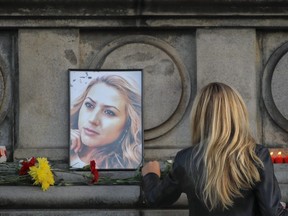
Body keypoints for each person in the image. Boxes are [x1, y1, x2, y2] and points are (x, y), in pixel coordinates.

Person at [142, 82, 288, 216]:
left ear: (199, 116)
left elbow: (155, 199)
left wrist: (150, 175)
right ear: (238, 114)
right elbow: (271, 212)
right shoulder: (256, 155)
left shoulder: (185, 159)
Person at [70, 74, 142, 169]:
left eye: (109, 112)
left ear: (128, 124)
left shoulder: (126, 168)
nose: (92, 119)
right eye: (89, 105)